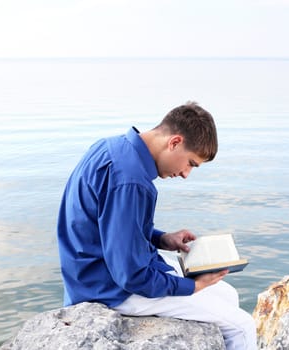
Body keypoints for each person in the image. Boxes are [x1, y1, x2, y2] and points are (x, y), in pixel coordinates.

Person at [57, 102, 257, 349]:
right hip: (108, 288)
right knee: (243, 326)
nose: (186, 174)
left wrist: (162, 239)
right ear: (174, 142)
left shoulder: (112, 147)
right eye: (191, 163)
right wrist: (191, 286)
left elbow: (109, 222)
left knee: (228, 295)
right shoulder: (131, 182)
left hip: (90, 272)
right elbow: (131, 276)